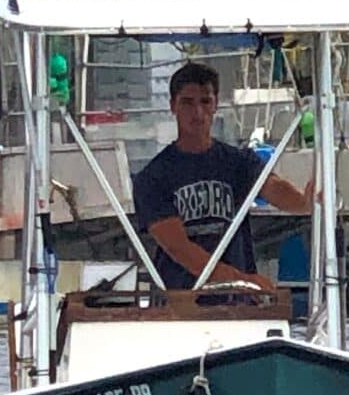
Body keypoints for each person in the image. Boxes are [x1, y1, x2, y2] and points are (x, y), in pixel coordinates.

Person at [133, 61, 312, 291]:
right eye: (187, 103)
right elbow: (178, 247)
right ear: (173, 106)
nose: (197, 113)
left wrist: (306, 202)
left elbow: (272, 187)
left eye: (205, 102)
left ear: (216, 105)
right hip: (181, 303)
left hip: (238, 304)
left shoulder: (238, 162)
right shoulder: (152, 178)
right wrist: (242, 281)